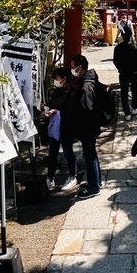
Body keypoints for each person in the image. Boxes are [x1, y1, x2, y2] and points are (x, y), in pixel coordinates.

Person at [69, 53, 102, 199]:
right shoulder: (90, 79)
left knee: (90, 156)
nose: (71, 69)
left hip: (87, 127)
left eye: (72, 67)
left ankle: (93, 187)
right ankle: (96, 181)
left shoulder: (85, 86)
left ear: (79, 67)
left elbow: (86, 108)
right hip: (91, 125)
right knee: (92, 155)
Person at [45, 67, 78, 192]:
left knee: (67, 151)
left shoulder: (71, 93)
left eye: (57, 79)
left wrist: (56, 111)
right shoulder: (57, 91)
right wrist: (46, 107)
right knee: (52, 151)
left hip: (66, 126)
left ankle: (72, 175)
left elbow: (70, 111)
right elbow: (52, 104)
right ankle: (50, 176)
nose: (55, 81)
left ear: (64, 79)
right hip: (54, 126)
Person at [113, 23, 137, 118]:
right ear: (130, 35)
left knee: (124, 92)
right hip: (134, 72)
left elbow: (115, 61)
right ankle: (134, 108)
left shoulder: (117, 48)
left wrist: (120, 68)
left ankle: (127, 112)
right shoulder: (135, 47)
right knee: (134, 90)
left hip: (123, 73)